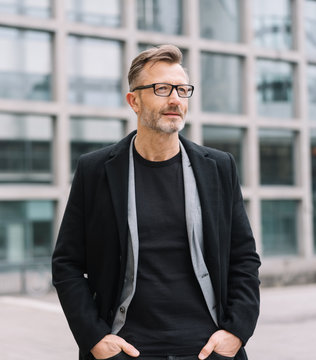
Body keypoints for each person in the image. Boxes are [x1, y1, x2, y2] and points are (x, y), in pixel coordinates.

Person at [52, 44, 260, 360]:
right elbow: (67, 263)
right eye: (162, 89)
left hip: (208, 350)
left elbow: (243, 257)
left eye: (182, 89)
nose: (175, 98)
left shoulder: (218, 167)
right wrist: (95, 339)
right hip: (126, 349)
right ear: (134, 101)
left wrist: (235, 332)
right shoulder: (95, 170)